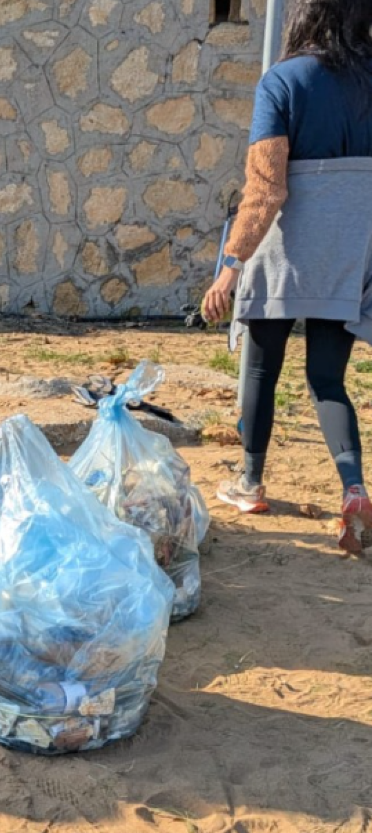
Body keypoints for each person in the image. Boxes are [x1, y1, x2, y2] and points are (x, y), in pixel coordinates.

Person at [203, 0, 372, 552]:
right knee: (327, 380)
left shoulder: (283, 80)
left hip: (283, 250)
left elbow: (267, 188)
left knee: (260, 369)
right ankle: (354, 489)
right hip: (349, 250)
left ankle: (250, 483)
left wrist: (230, 266)